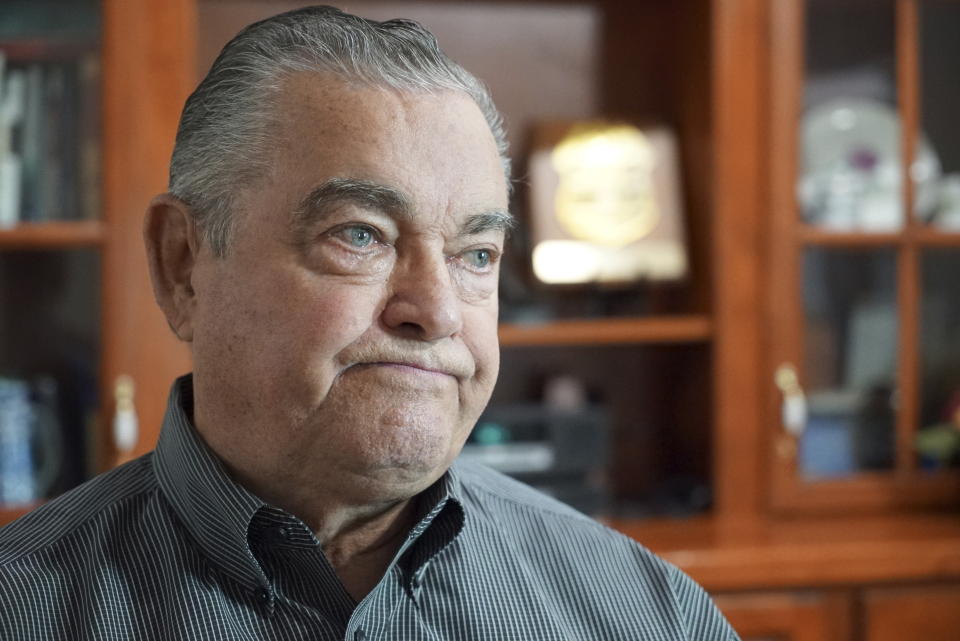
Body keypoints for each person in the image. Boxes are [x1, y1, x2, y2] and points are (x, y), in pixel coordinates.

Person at [0, 6, 739, 640]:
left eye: (476, 253)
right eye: (360, 234)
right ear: (183, 263)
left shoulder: (647, 612)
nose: (439, 310)